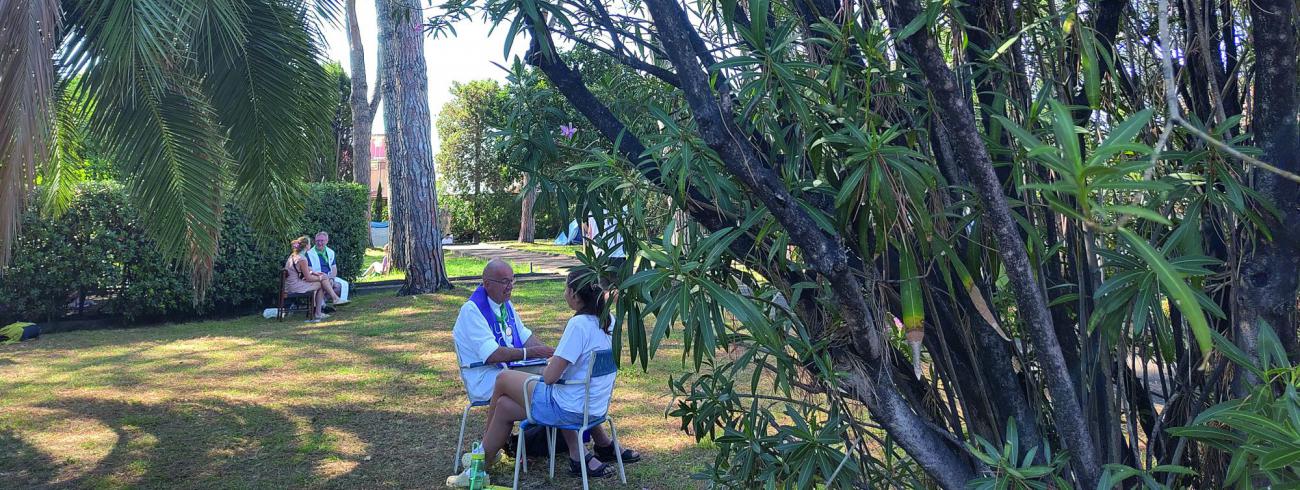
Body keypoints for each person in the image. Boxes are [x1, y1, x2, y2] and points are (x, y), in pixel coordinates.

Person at [452, 262, 639, 477]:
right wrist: (542, 355)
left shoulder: (578, 325)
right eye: (505, 281)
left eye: (512, 280)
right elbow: (492, 354)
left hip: (568, 406)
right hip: (590, 403)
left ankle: (483, 456)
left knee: (507, 379)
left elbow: (549, 375)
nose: (510, 286)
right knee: (504, 401)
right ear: (487, 284)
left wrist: (549, 358)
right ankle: (596, 447)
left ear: (575, 295)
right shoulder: (609, 320)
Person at [284, 236, 347, 322]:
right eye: (310, 243)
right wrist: (320, 278)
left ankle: (332, 301)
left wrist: (316, 273)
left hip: (291, 284)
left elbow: (305, 271)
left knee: (321, 280)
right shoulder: (302, 259)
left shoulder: (294, 255)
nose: (311, 245)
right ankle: (323, 309)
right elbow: (308, 278)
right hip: (294, 286)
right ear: (306, 246)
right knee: (321, 283)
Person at [305, 231, 349, 302]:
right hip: (317, 277)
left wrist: (331, 278)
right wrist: (323, 278)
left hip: (329, 276)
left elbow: (334, 268)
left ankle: (324, 301)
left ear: (326, 241)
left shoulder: (331, 252)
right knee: (325, 285)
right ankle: (324, 303)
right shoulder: (309, 253)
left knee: (341, 285)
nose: (319, 243)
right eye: (317, 241)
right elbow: (310, 270)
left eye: (322, 241)